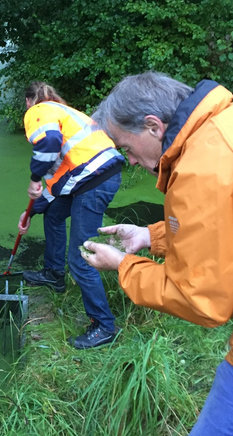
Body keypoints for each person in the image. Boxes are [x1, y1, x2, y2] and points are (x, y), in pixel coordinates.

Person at [82, 71, 233, 433]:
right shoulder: (220, 127)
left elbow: (202, 301)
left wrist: (123, 265)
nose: (130, 160)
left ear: (152, 126)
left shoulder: (199, 173)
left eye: (127, 148)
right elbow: (219, 226)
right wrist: (150, 237)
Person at [18, 81, 125, 349]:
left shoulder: (39, 111)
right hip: (93, 177)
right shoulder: (65, 114)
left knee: (81, 257)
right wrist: (32, 211)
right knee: (53, 216)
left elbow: (49, 143)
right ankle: (54, 275)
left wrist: (33, 178)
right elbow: (58, 181)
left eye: (26, 105)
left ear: (30, 101)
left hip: (93, 183)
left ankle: (104, 326)